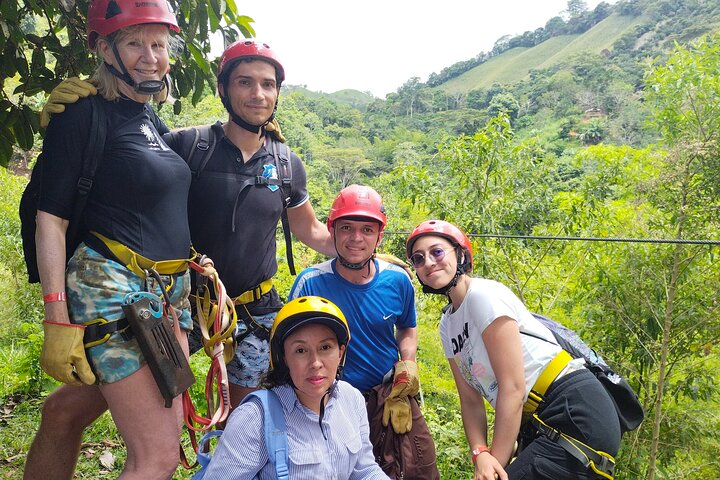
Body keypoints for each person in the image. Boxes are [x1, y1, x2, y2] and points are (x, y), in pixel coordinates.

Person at [25, 39, 335, 480]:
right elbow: (126, 172)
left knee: (238, 425)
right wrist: (82, 112)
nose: (257, 94)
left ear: (278, 93)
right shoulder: (189, 145)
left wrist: (361, 247)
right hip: (178, 304)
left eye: (268, 85)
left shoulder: (285, 163)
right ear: (224, 89)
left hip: (243, 309)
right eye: (244, 82)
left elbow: (311, 231)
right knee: (133, 436)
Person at [28, 0, 196, 478]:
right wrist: (56, 317)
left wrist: (251, 132)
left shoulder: (149, 120)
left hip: (162, 299)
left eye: (159, 44)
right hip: (117, 298)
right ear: (104, 48)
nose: (151, 56)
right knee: (158, 456)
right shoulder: (81, 113)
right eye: (134, 42)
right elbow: (51, 221)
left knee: (66, 412)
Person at [405, 220, 622, 480]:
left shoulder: (483, 295)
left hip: (573, 409)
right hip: (539, 421)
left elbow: (513, 388)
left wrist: (494, 463)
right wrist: (480, 453)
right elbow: (470, 399)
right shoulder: (447, 324)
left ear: (461, 254)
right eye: (419, 258)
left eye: (437, 252)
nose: (428, 262)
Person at [288, 185, 438, 479]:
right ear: (332, 231)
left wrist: (407, 362)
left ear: (379, 236)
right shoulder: (310, 284)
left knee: (418, 466)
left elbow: (407, 326)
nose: (356, 238)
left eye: (367, 230)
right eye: (346, 228)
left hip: (386, 394)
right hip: (329, 400)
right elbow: (290, 345)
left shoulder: (397, 281)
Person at [201, 295, 389, 479]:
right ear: (283, 359)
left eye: (325, 348)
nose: (315, 363)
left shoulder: (351, 399)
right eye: (300, 351)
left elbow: (364, 470)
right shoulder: (255, 419)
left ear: (340, 353)